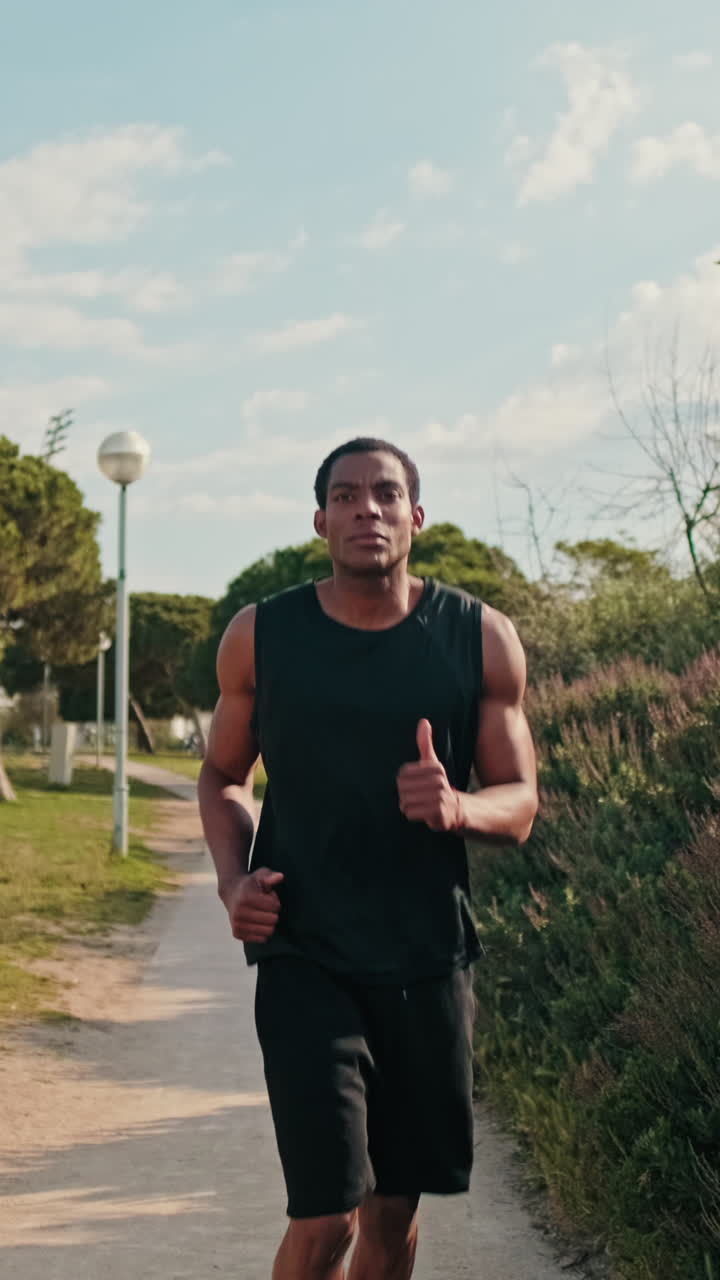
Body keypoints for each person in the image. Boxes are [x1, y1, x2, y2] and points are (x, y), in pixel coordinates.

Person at [198, 437, 538, 1280]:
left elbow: (521, 800)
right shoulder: (261, 636)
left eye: (386, 494)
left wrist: (458, 807)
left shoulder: (479, 637)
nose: (367, 510)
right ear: (320, 521)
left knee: (392, 1214)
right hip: (305, 954)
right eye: (345, 496)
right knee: (325, 1219)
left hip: (426, 959)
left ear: (416, 517)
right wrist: (232, 877)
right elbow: (220, 775)